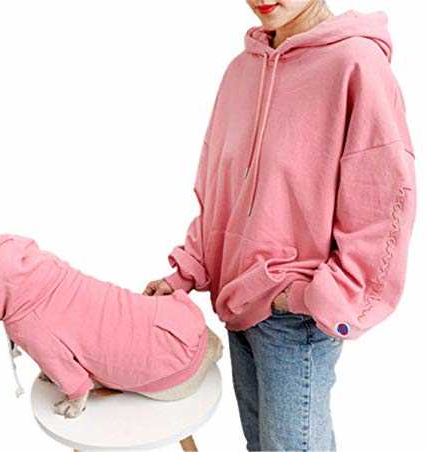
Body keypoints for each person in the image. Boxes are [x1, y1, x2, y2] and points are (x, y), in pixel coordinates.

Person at [144, 1, 416, 450]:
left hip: (295, 320)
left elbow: (382, 204)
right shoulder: (241, 71)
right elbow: (219, 188)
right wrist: (186, 272)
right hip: (236, 303)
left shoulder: (356, 65)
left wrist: (313, 297)